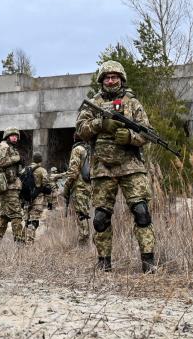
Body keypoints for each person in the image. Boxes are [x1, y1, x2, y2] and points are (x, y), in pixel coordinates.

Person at [76, 60, 156, 273]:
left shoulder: (133, 103)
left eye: (115, 77)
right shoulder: (92, 104)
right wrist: (100, 124)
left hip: (131, 165)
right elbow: (80, 130)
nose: (111, 81)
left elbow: (147, 132)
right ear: (102, 81)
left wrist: (130, 137)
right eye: (107, 77)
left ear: (121, 79)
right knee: (100, 218)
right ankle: (104, 263)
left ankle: (148, 263)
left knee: (142, 212)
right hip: (102, 167)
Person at [0, 128, 25, 244]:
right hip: (7, 186)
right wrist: (17, 158)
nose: (15, 137)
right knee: (16, 214)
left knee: (5, 216)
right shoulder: (3, 146)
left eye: (16, 136)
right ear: (7, 136)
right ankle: (20, 244)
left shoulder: (11, 148)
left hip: (12, 185)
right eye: (12, 135)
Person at [61, 134, 92, 246]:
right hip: (89, 186)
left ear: (75, 139)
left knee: (81, 215)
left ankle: (83, 243)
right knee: (86, 214)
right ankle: (88, 241)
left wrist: (66, 187)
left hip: (79, 186)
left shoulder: (77, 149)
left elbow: (73, 173)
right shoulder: (89, 149)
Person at [21, 153, 50, 244]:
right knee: (34, 221)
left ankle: (22, 241)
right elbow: (45, 183)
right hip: (38, 199)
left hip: (26, 199)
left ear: (33, 159)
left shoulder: (24, 170)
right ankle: (29, 243)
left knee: (27, 221)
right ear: (40, 160)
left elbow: (19, 182)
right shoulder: (42, 170)